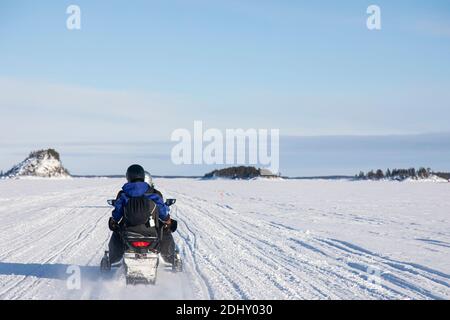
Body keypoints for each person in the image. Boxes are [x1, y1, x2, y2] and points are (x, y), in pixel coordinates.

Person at [107, 164, 178, 266]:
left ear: (128, 177)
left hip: (129, 233)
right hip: (151, 233)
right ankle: (169, 258)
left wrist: (114, 221)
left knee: (116, 232)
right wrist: (168, 220)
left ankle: (113, 260)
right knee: (165, 230)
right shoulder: (153, 194)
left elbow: (117, 213)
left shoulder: (124, 195)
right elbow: (163, 212)